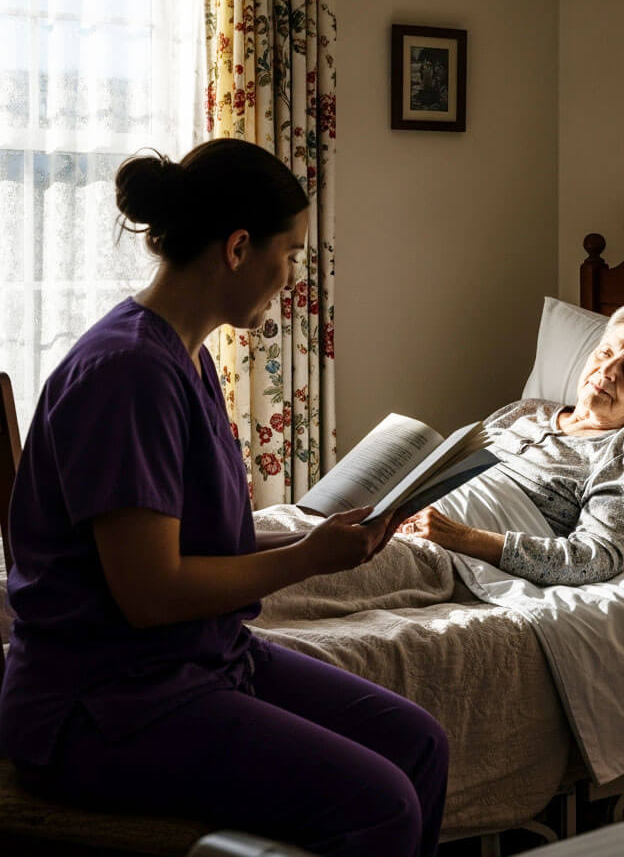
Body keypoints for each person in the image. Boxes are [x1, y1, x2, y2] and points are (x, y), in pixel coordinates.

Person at [0, 139, 448, 857]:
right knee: (380, 805)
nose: (292, 275)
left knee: (420, 744)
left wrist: (321, 538)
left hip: (196, 662)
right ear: (239, 247)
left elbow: (191, 543)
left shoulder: (186, 354)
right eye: (290, 253)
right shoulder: (129, 374)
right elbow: (152, 591)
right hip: (104, 706)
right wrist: (307, 559)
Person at [399, 302, 624, 586]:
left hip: (445, 557)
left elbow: (597, 556)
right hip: (399, 519)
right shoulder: (527, 410)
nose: (608, 371)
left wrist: (461, 538)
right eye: (605, 353)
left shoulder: (623, 450)